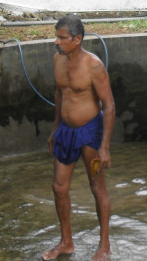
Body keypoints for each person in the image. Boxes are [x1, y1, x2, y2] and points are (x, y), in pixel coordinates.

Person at [43, 15, 115, 261]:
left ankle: (104, 246)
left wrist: (104, 146)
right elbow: (59, 93)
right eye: (56, 37)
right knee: (58, 186)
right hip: (66, 130)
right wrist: (55, 129)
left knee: (97, 187)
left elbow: (109, 105)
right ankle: (66, 242)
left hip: (90, 132)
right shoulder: (58, 60)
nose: (57, 42)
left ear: (77, 39)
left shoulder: (93, 65)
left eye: (62, 38)